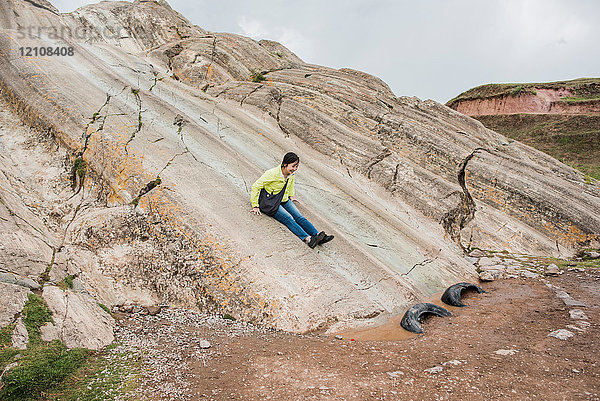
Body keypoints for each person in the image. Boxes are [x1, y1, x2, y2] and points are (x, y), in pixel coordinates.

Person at [250, 152, 334, 248]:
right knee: (289, 219)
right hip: (272, 203)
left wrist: (291, 195)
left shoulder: (291, 174)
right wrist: (255, 205)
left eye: (296, 166)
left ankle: (318, 236)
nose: (294, 169)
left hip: (284, 199)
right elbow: (256, 186)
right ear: (285, 164)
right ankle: (308, 239)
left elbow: (291, 184)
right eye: (293, 166)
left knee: (299, 217)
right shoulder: (272, 174)